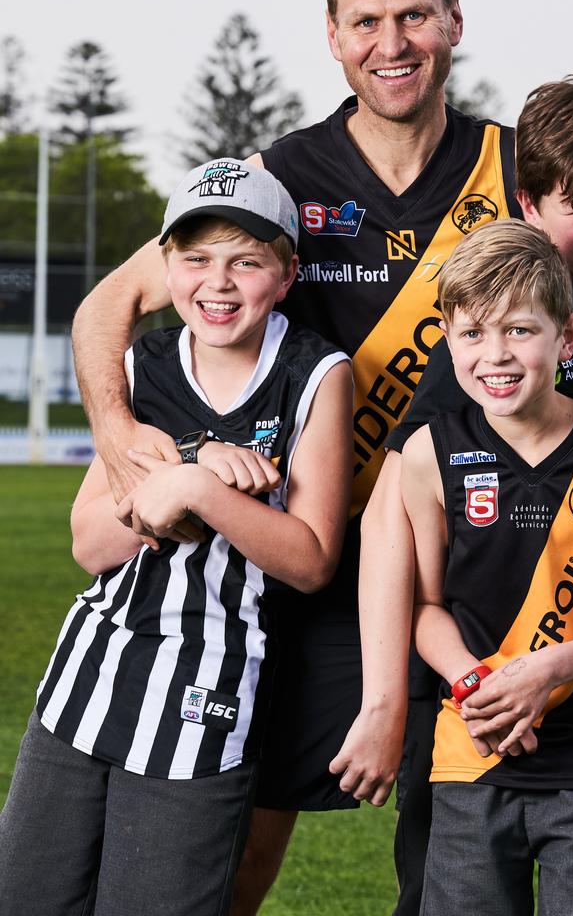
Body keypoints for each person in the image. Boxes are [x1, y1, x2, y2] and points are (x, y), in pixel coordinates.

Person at [68, 0, 573, 914]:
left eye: (416, 14)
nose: (394, 42)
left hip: (480, 570)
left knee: (489, 848)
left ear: (454, 21)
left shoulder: (525, 163)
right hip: (308, 557)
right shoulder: (282, 176)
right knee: (242, 821)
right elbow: (104, 307)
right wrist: (123, 441)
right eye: (368, 20)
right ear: (335, 38)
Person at [367, 76, 573, 916]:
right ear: (530, 205)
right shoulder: (486, 328)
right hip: (472, 681)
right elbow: (403, 518)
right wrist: (415, 692)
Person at [0, 159, 351, 916]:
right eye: (195, 259)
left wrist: (199, 493)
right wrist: (187, 468)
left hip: (208, 691)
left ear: (286, 274)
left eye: (245, 261)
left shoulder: (315, 374)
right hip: (88, 676)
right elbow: (91, 545)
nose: (217, 283)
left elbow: (313, 560)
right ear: (166, 266)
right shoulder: (142, 364)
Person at [401, 219, 573, 916]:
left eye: (520, 331)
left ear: (567, 337)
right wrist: (476, 688)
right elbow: (425, 606)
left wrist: (548, 669)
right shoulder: (427, 453)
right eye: (473, 334)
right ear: (448, 339)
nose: (495, 355)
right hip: (473, 749)